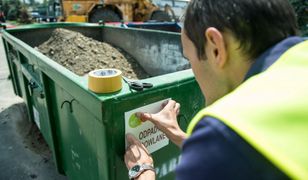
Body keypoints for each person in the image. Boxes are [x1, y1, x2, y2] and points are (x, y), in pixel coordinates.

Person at [124, 0, 308, 179]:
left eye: (190, 60)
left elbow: (228, 151)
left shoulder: (223, 132)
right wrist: (184, 138)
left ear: (216, 48)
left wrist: (142, 172)